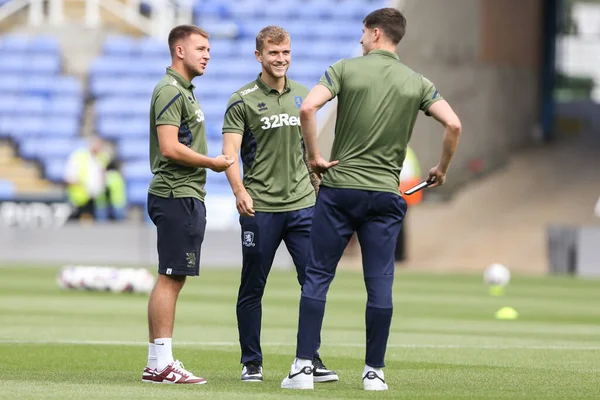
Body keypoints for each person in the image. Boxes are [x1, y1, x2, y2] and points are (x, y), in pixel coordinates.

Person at [281, 8, 462, 391]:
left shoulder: (345, 69)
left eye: (363, 33)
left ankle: (301, 369)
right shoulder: (417, 81)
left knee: (317, 277)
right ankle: (374, 372)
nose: (360, 39)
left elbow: (309, 107)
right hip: (384, 194)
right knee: (379, 283)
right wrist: (441, 168)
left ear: (376, 33)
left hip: (339, 189)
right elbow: (454, 124)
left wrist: (314, 157)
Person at [222, 25, 337, 383]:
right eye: (273, 53)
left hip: (304, 207)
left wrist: (319, 189)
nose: (281, 59)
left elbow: (308, 153)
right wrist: (239, 191)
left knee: (313, 282)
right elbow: (230, 154)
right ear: (259, 56)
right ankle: (251, 362)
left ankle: (310, 359)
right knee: (253, 286)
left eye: (285, 52)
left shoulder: (305, 96)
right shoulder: (240, 100)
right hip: (261, 210)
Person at [142, 25, 234, 385]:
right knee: (170, 277)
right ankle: (161, 364)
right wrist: (211, 162)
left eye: (209, 48)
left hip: (185, 193)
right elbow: (168, 146)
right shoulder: (169, 89)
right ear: (179, 51)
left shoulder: (184, 91)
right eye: (201, 48)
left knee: (173, 277)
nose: (207, 54)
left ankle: (157, 363)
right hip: (175, 192)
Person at [63, 136, 109, 221]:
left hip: (96, 197)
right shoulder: (78, 156)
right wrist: (82, 185)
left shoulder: (102, 157)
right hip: (80, 198)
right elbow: (70, 177)